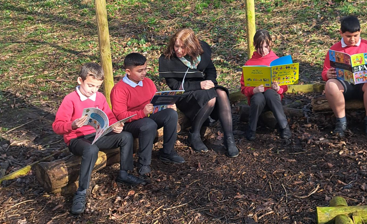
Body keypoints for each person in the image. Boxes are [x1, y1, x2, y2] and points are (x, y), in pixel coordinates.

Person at [52, 63, 146, 215]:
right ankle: (82, 192)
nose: (93, 90)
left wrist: (115, 126)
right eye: (90, 86)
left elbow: (109, 116)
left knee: (126, 136)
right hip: (77, 138)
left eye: (97, 86)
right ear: (79, 80)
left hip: (97, 135)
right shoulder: (70, 99)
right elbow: (57, 126)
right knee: (91, 149)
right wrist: (72, 125)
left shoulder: (99, 97)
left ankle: (124, 173)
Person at [158, 28, 239, 158]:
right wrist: (199, 85)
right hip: (184, 93)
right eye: (176, 46)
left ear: (191, 46)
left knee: (221, 93)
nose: (178, 50)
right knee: (211, 98)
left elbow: (211, 69)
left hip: (204, 89)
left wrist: (211, 81)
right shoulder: (168, 59)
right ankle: (194, 134)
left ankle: (229, 139)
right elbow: (174, 85)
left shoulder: (202, 52)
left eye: (183, 47)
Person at [111, 53, 185, 176]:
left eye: (145, 69)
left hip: (147, 117)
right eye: (140, 71)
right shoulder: (119, 89)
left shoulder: (148, 82)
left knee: (171, 114)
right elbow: (120, 116)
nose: (144, 73)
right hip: (129, 124)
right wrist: (142, 113)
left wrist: (166, 105)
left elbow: (154, 103)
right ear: (128, 71)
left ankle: (167, 152)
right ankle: (144, 163)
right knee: (148, 124)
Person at [322, 16, 367, 138]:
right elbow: (325, 71)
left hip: (364, 85)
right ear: (341, 33)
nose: (352, 39)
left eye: (356, 36)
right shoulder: (334, 49)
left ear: (360, 32)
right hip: (344, 85)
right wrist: (327, 74)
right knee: (330, 85)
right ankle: (341, 122)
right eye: (348, 36)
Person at [240, 29, 292, 142]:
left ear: (270, 45)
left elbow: (285, 85)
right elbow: (244, 88)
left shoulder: (277, 61)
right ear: (255, 45)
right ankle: (251, 128)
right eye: (260, 47)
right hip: (257, 101)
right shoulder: (249, 64)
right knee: (258, 97)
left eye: (265, 47)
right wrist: (254, 90)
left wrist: (279, 88)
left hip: (273, 98)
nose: (263, 50)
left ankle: (284, 126)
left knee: (269, 93)